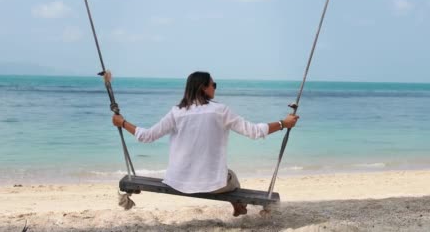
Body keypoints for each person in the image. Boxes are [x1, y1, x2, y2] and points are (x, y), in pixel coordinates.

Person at [106, 70, 299, 217]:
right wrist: (283, 123)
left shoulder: (176, 112)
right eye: (213, 84)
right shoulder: (220, 111)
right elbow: (255, 131)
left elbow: (145, 136)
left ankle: (238, 207)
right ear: (203, 88)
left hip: (177, 182)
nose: (215, 87)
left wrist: (122, 122)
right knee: (231, 177)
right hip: (212, 184)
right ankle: (239, 206)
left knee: (226, 175)